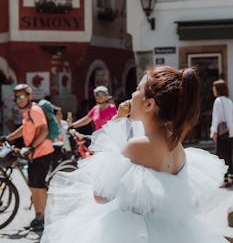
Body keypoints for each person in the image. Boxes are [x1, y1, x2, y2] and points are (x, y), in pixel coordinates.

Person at [41, 66, 227, 243]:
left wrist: (118, 123)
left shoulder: (138, 146)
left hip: (136, 233)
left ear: (149, 104)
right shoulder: (176, 145)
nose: (132, 94)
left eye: (138, 89)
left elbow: (100, 195)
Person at [0, 84, 54, 232]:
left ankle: (43, 219)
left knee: (39, 187)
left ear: (29, 96)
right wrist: (8, 137)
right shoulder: (27, 112)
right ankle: (38, 217)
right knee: (33, 186)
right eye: (17, 97)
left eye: (23, 96)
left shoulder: (35, 110)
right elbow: (24, 129)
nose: (20, 99)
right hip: (34, 154)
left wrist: (32, 147)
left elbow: (43, 130)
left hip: (42, 152)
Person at [210, 79, 233, 188]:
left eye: (214, 88)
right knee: (229, 157)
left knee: (222, 157)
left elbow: (216, 118)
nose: (213, 90)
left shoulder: (218, 101)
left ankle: (225, 180)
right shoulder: (229, 101)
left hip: (223, 133)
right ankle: (231, 179)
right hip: (230, 133)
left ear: (218, 89)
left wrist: (214, 131)